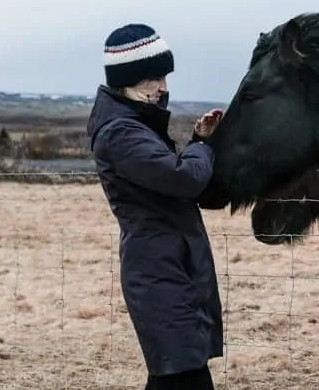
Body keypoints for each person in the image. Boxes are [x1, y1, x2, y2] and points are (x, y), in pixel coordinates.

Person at [86, 23, 224, 390]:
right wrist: (201, 148)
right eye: (152, 78)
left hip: (168, 265)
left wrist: (196, 140)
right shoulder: (121, 132)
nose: (163, 86)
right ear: (126, 79)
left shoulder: (133, 124)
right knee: (186, 376)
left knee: (176, 375)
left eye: (164, 76)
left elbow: (169, 180)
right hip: (158, 272)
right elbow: (182, 180)